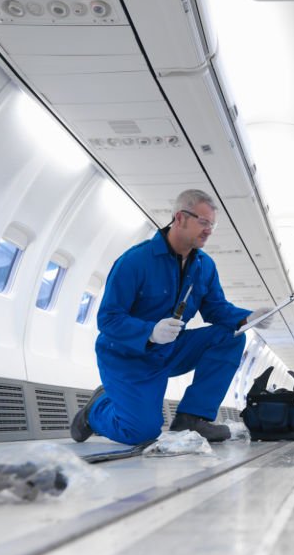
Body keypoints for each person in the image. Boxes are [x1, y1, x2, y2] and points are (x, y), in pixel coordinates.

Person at [70, 189, 273, 445]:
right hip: (127, 357)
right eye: (203, 222)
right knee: (141, 433)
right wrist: (150, 332)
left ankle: (192, 418)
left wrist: (248, 318)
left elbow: (216, 310)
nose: (209, 230)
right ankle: (95, 410)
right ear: (180, 218)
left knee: (230, 336)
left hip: (170, 350)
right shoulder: (135, 261)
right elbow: (108, 319)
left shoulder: (204, 266)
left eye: (212, 224)